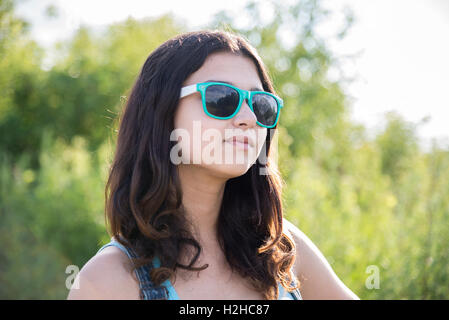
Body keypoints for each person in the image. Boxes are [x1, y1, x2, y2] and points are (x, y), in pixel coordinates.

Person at [67, 29, 359, 300]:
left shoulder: (283, 250)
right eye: (222, 98)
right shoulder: (107, 281)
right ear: (162, 114)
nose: (248, 117)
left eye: (261, 104)